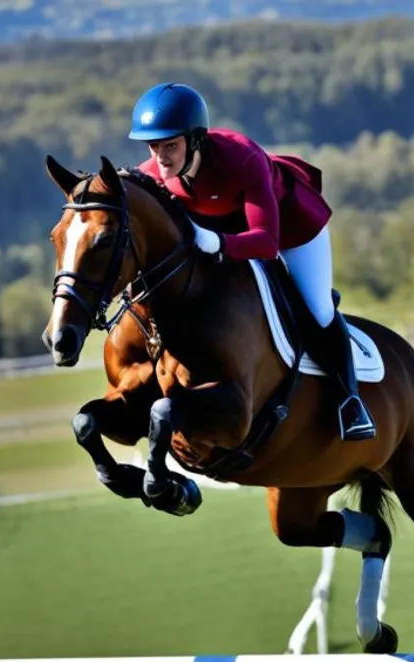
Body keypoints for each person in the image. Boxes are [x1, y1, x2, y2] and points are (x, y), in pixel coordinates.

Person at [128, 81, 376, 442]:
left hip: (289, 228)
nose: (161, 157)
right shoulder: (153, 173)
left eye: (171, 145)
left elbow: (265, 241)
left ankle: (351, 402)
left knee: (318, 308)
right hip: (224, 229)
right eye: (154, 146)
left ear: (195, 140)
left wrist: (216, 242)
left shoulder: (241, 159)